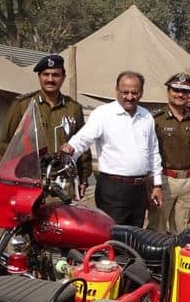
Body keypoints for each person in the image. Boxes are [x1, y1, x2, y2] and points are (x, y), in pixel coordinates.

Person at [61, 71, 163, 227]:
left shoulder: (146, 116)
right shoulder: (103, 114)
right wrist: (71, 148)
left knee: (134, 239)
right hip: (113, 191)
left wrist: (157, 185)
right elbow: (83, 138)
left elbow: (153, 153)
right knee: (111, 238)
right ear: (116, 90)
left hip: (139, 190)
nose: (130, 97)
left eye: (134, 92)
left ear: (141, 93)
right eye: (125, 92)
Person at [0, 54, 92, 197]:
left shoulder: (73, 108)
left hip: (62, 180)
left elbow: (82, 145)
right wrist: (4, 178)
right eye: (46, 74)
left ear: (63, 77)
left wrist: (84, 179)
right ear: (39, 76)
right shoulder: (23, 105)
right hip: (29, 179)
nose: (50, 79)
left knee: (59, 218)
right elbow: (6, 144)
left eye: (55, 75)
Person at [147, 73, 190, 234]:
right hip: (164, 180)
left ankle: (174, 259)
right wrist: (153, 184)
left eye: (184, 91)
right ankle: (156, 260)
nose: (180, 95)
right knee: (156, 229)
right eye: (176, 90)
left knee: (181, 230)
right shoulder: (157, 120)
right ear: (168, 91)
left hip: (187, 182)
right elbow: (149, 155)